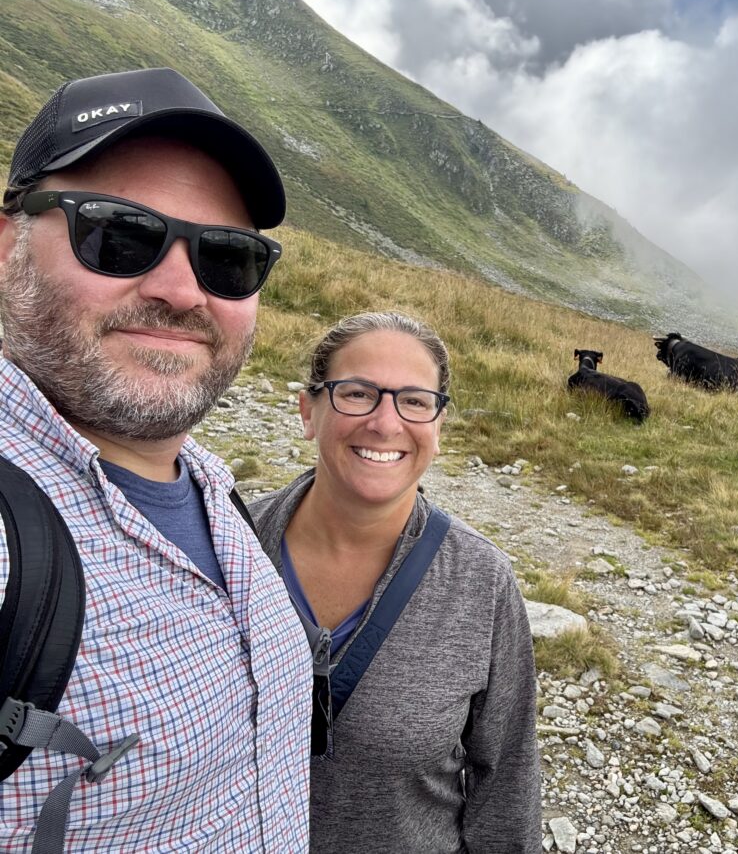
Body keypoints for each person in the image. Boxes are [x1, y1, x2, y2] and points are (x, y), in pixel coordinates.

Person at [0, 68, 311, 849]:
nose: (181, 291)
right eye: (116, 234)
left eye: (228, 259)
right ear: (5, 246)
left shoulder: (211, 490)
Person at [249, 312, 541, 853]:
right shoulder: (229, 545)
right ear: (307, 411)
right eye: (357, 393)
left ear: (438, 424)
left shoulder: (483, 583)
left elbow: (505, 785)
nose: (386, 424)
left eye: (414, 400)